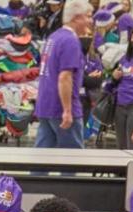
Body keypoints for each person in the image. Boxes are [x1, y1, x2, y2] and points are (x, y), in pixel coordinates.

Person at [35, 0, 92, 149]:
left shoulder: (53, 37)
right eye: (88, 16)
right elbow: (65, 77)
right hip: (61, 108)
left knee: (41, 161)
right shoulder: (70, 41)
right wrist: (67, 110)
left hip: (45, 105)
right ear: (77, 17)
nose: (90, 21)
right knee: (72, 161)